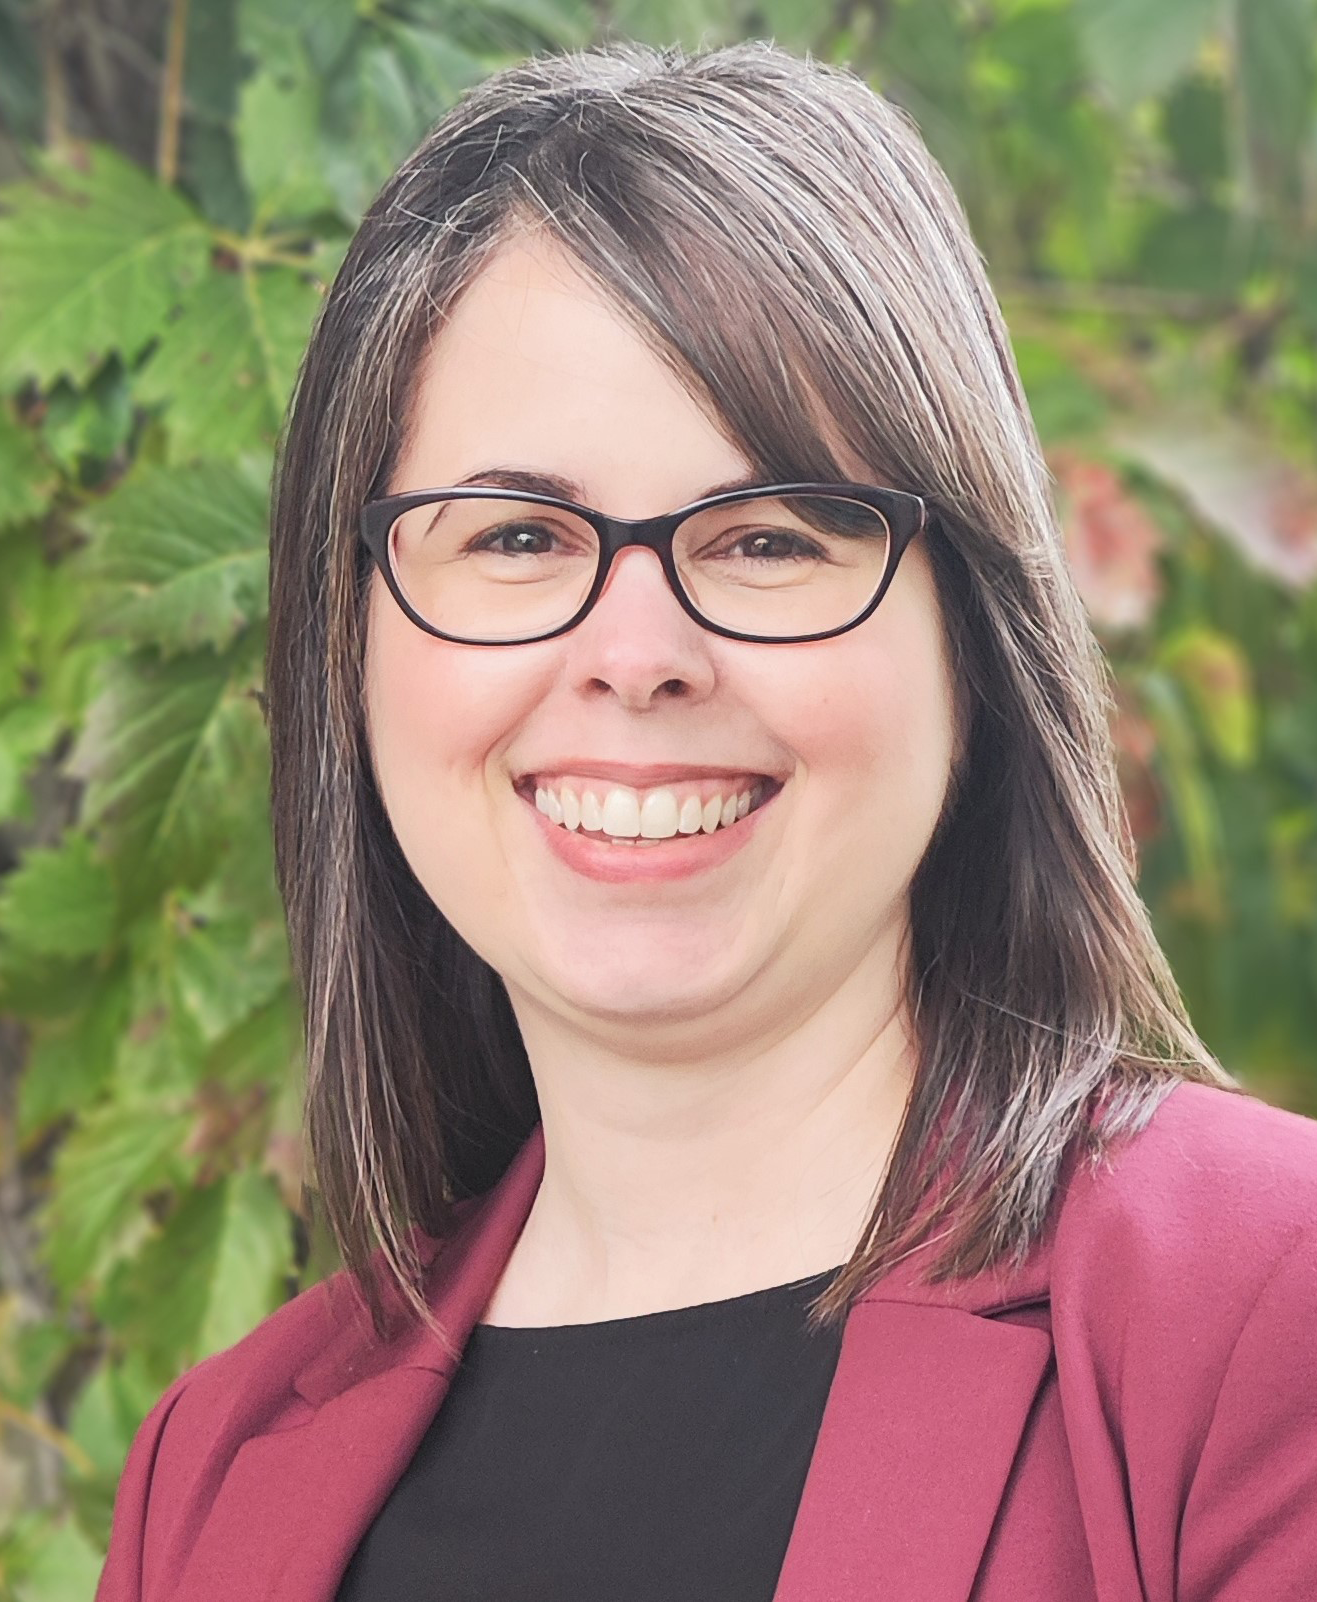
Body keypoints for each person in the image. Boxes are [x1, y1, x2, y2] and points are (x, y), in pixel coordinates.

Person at [95, 37, 1317, 1602]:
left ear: (975, 637)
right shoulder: (214, 1476)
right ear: (349, 647)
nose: (638, 654)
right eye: (521, 535)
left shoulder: (1258, 1316)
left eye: (767, 539)